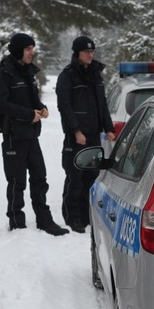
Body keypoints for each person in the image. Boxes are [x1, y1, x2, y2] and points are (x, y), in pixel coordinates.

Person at [0, 33, 69, 236]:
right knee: (17, 182)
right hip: (13, 135)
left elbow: (32, 98)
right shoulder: (4, 73)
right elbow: (1, 104)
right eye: (28, 49)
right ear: (18, 50)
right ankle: (17, 224)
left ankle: (45, 221)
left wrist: (42, 108)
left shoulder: (28, 72)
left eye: (32, 49)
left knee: (39, 178)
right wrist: (28, 115)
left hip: (31, 135)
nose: (31, 53)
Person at [55, 36, 116, 233]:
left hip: (94, 135)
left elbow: (102, 104)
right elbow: (65, 106)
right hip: (77, 137)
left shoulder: (96, 74)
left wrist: (108, 127)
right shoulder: (67, 76)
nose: (90, 54)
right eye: (86, 52)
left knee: (91, 177)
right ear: (77, 53)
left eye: (92, 51)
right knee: (75, 178)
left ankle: (86, 215)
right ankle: (73, 218)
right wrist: (75, 131)